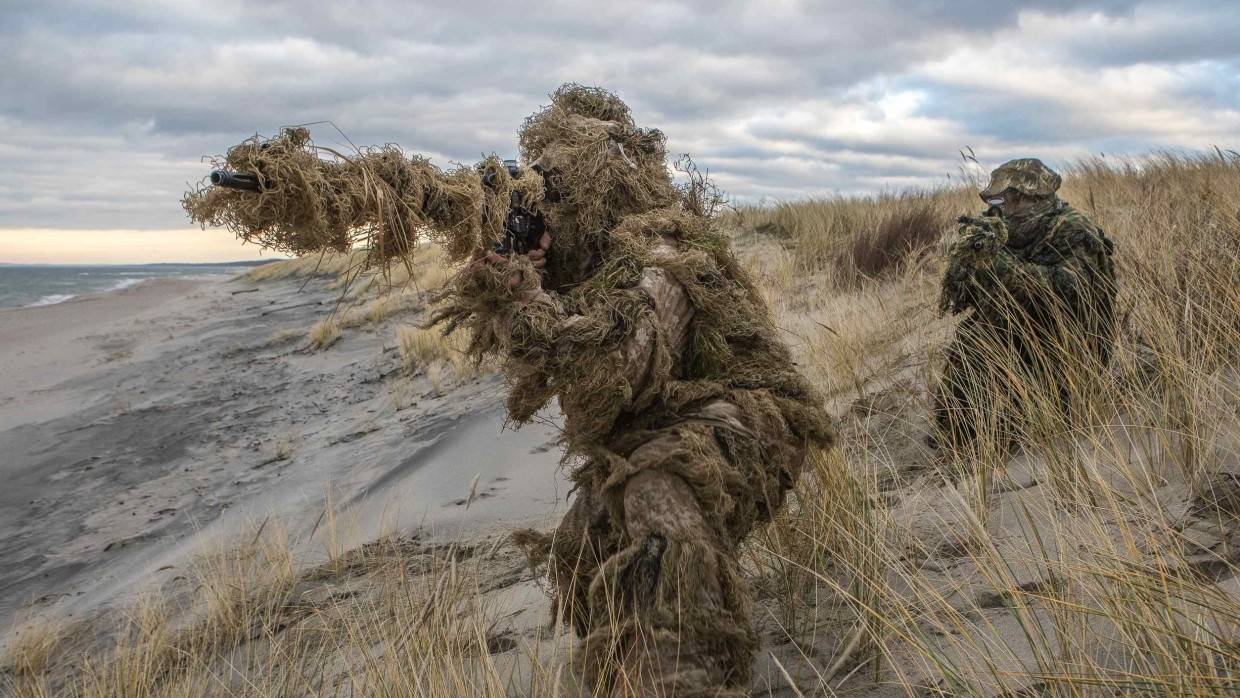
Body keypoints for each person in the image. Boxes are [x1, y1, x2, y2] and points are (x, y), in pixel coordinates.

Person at [185, 84, 835, 695]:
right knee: (589, 554)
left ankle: (693, 676)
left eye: (562, 177)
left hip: (745, 423)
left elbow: (609, 382)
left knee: (659, 497)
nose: (547, 191)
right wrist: (307, 185)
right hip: (652, 433)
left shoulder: (662, 249)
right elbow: (440, 196)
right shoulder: (568, 246)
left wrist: (526, 297)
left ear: (604, 180)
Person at [932, 158, 1117, 453]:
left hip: (1069, 344)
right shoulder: (998, 228)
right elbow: (965, 298)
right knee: (973, 340)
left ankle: (1027, 424)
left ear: (1032, 198)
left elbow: (1071, 293)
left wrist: (1000, 264)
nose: (999, 209)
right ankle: (961, 431)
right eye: (996, 200)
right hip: (1018, 331)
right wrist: (966, 262)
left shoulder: (1072, 230)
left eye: (1007, 200)